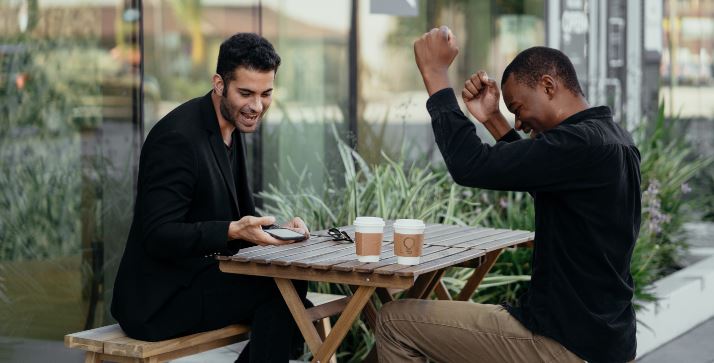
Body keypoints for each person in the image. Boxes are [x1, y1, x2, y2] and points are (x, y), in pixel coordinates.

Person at [375, 26, 640, 363]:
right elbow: (540, 170)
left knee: (394, 322)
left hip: (562, 344)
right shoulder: (613, 139)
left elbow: (469, 164)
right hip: (605, 342)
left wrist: (436, 75)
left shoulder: (579, 143)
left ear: (548, 85)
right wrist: (493, 118)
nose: (517, 123)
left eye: (517, 107)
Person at [111, 33, 310, 363]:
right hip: (159, 300)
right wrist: (232, 230)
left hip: (199, 278)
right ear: (219, 84)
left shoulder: (231, 125)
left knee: (296, 298)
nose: (256, 106)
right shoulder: (177, 139)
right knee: (284, 298)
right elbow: (158, 235)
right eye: (245, 93)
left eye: (266, 93)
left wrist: (276, 230)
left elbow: (240, 214)